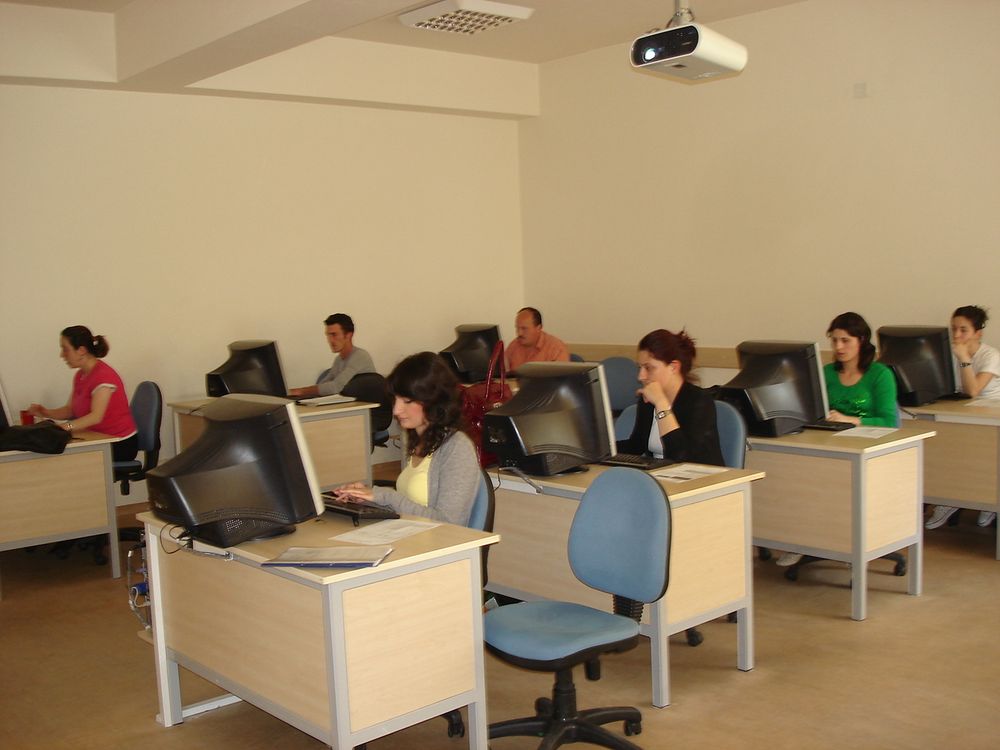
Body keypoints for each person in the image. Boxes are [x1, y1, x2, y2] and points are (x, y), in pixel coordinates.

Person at [776, 311, 898, 566]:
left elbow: (890, 421)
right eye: (834, 340)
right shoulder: (827, 373)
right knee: (800, 479)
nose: (838, 347)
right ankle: (801, 539)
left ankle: (847, 543)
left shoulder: (880, 374)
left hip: (869, 452)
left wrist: (854, 421)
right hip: (831, 445)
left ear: (861, 340)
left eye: (845, 340)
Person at [332, 352, 479, 525]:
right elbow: (408, 506)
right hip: (412, 533)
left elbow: (450, 522)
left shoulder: (457, 447)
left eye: (407, 400)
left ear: (433, 400)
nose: (396, 410)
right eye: (395, 399)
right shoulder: (417, 440)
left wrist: (384, 495)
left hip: (438, 539)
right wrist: (367, 497)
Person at [925, 305, 999, 530]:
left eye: (963, 330)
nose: (956, 335)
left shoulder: (991, 356)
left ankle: (987, 501)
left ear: (978, 333)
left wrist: (965, 359)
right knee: (944, 445)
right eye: (953, 329)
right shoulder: (949, 353)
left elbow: (973, 390)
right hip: (959, 413)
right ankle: (949, 498)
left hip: (990, 420)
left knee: (972, 452)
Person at [27, 325, 138, 462]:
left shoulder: (104, 377)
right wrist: (45, 412)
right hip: (97, 438)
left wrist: (65, 427)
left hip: (119, 443)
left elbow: (95, 417)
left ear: (81, 350)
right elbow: (70, 410)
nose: (62, 355)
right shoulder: (81, 375)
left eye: (65, 349)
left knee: (65, 461)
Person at [617, 328, 724, 466]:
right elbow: (636, 446)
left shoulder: (699, 401)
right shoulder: (647, 401)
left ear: (673, 367)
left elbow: (681, 457)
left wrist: (661, 404)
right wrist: (600, 449)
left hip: (698, 476)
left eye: (648, 368)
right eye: (640, 368)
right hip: (659, 474)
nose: (641, 376)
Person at [289, 313, 375, 398]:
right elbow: (324, 384)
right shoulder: (339, 359)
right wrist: (297, 393)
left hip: (365, 404)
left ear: (348, 335)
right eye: (328, 335)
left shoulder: (360, 356)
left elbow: (335, 387)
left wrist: (301, 391)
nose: (330, 340)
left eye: (334, 335)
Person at [505, 307, 570, 371]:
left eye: (524, 328)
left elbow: (560, 376)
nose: (519, 333)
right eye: (517, 328)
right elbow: (503, 370)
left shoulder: (556, 348)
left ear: (538, 328)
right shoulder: (514, 345)